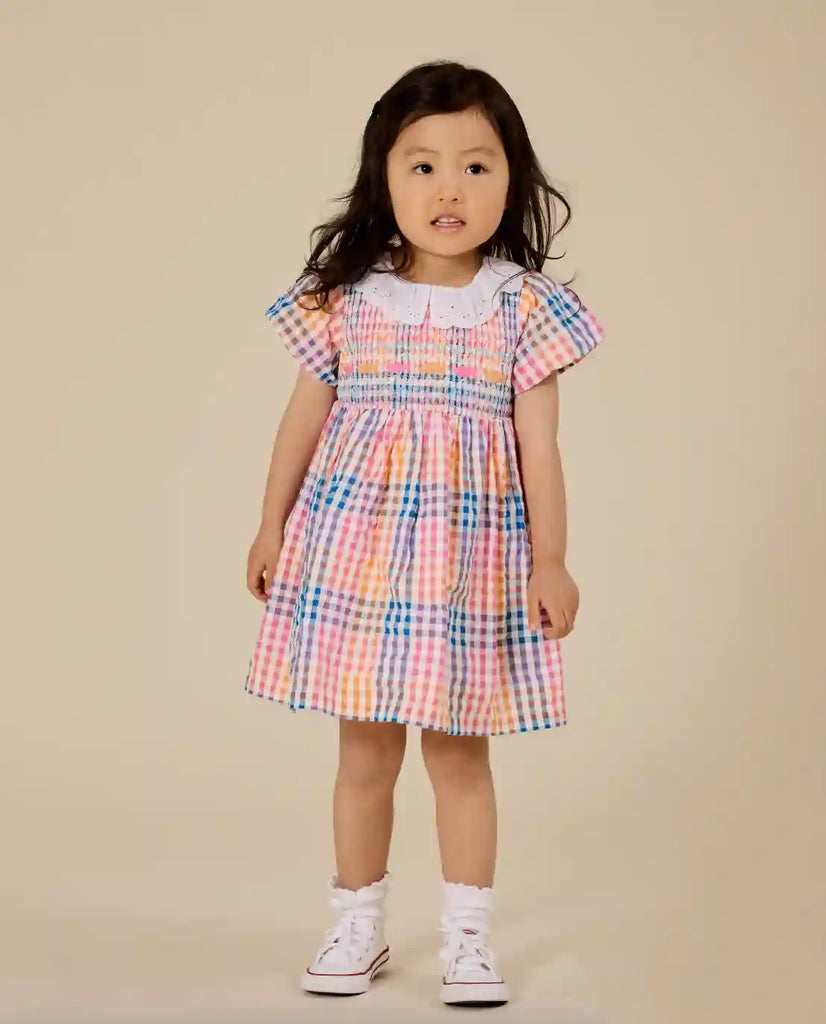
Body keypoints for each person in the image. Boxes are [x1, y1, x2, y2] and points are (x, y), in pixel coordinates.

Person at [244, 59, 605, 1008]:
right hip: (355, 556)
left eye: (477, 167)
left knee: (458, 756)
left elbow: (540, 447)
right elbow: (303, 418)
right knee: (365, 755)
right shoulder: (347, 297)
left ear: (512, 182)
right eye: (424, 166)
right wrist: (271, 524)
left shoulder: (522, 304)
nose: (450, 189)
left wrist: (552, 559)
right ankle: (356, 923)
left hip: (467, 565)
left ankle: (467, 940)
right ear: (384, 177)